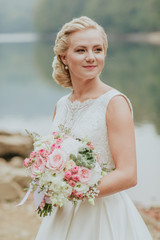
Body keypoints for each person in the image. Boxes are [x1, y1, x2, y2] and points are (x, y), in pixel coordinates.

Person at [35, 16, 152, 240]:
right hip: (62, 214)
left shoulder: (114, 102)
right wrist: (47, 183)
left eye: (97, 49)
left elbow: (128, 174)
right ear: (64, 57)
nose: (91, 57)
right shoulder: (61, 105)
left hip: (102, 215)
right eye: (81, 50)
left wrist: (72, 191)